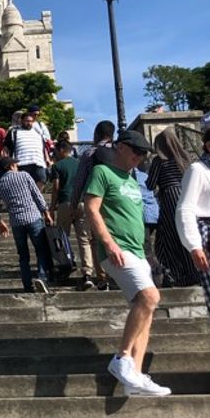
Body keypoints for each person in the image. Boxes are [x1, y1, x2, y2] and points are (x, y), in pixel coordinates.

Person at [84, 129, 171, 396]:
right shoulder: (102, 172)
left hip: (137, 251)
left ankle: (135, 376)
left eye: (143, 153)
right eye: (135, 151)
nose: (140, 157)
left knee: (146, 309)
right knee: (149, 297)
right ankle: (122, 359)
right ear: (120, 147)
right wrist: (108, 243)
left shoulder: (133, 180)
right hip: (118, 250)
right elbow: (91, 208)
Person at [0, 156, 53, 294]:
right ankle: (42, 277)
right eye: (15, 164)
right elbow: (37, 195)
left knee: (23, 255)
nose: (17, 166)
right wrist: (46, 212)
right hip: (33, 217)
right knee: (41, 250)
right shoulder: (24, 176)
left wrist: (0, 222)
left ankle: (27, 285)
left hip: (16, 222)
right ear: (11, 166)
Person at [147, 129, 198, 288]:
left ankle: (176, 274)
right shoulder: (187, 159)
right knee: (187, 235)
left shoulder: (159, 161)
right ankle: (194, 273)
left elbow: (150, 184)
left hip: (170, 198)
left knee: (168, 236)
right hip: (188, 197)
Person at [69, 120, 116, 291]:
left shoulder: (90, 153)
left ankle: (102, 277)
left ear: (96, 134)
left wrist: (74, 205)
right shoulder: (119, 151)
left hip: (94, 201)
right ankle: (118, 274)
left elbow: (79, 181)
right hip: (116, 201)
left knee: (95, 240)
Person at [176, 123, 210, 327]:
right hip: (208, 234)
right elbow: (185, 208)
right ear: (209, 146)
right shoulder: (198, 170)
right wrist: (194, 245)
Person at [50, 139, 96, 289]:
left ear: (62, 150)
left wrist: (52, 206)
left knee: (62, 236)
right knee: (84, 239)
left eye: (56, 151)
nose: (54, 154)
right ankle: (88, 272)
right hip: (82, 202)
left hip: (65, 202)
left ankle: (67, 264)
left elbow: (56, 187)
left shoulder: (57, 166)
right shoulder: (80, 164)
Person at [4, 111, 50, 186]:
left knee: (42, 179)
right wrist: (8, 162)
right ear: (21, 121)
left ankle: (33, 195)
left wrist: (47, 158)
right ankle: (27, 196)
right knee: (23, 184)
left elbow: (43, 147)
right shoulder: (14, 132)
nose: (29, 123)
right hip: (21, 163)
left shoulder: (38, 132)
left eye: (31, 121)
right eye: (27, 121)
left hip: (38, 162)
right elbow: (6, 148)